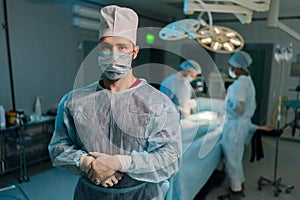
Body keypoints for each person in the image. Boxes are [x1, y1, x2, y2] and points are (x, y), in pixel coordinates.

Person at [48, 5, 182, 200]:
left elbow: (170, 159)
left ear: (134, 52)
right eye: (106, 48)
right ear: (98, 51)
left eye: (121, 47)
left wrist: (120, 163)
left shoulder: (158, 103)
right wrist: (86, 163)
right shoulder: (74, 102)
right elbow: (58, 148)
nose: (113, 54)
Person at [219, 51, 256, 200]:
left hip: (236, 125)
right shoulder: (248, 80)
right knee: (236, 157)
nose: (231, 69)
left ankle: (236, 193)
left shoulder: (240, 83)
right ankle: (240, 185)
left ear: (238, 67)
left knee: (232, 159)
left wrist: (225, 106)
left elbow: (239, 108)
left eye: (232, 66)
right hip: (241, 124)